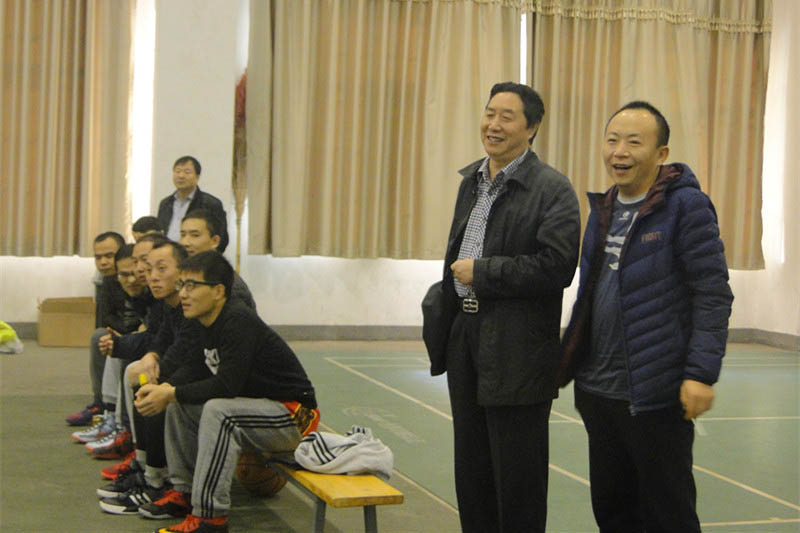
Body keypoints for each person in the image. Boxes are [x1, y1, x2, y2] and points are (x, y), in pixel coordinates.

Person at [557, 101, 734, 532]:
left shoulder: (686, 207)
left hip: (655, 394)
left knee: (667, 515)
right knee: (613, 512)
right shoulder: (603, 209)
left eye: (634, 142)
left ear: (661, 153)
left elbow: (712, 294)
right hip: (599, 392)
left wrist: (701, 373)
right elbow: (590, 294)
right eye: (612, 140)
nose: (619, 151)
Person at [431, 82, 580, 532]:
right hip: (466, 338)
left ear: (532, 128)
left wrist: (483, 272)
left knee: (518, 478)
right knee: (471, 469)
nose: (493, 125)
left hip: (517, 349)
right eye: (489, 113)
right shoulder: (472, 182)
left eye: (507, 117)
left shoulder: (552, 189)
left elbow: (557, 267)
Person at [133, 251, 318, 533]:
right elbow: (195, 366)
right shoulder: (203, 320)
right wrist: (164, 389)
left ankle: (211, 518)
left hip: (296, 415)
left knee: (218, 411)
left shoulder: (238, 320)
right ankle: (184, 493)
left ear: (218, 291)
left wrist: (171, 393)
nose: (183, 293)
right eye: (181, 285)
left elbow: (226, 385)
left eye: (192, 285)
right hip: (258, 410)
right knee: (181, 405)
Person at [65, 231, 125, 426]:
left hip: (143, 335)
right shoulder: (106, 281)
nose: (103, 262)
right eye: (98, 257)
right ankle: (100, 403)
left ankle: (115, 409)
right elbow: (106, 319)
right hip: (121, 333)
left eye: (109, 256)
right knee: (100, 337)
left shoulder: (140, 278)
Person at [179, 209, 255, 309]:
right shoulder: (185, 275)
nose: (185, 242)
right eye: (183, 235)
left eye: (195, 235)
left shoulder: (232, 286)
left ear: (215, 241)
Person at [157, 156, 229, 252]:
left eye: (187, 172)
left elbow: (222, 238)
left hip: (197, 256)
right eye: (177, 171)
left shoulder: (210, 203)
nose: (181, 176)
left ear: (197, 176)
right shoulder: (165, 203)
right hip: (170, 256)